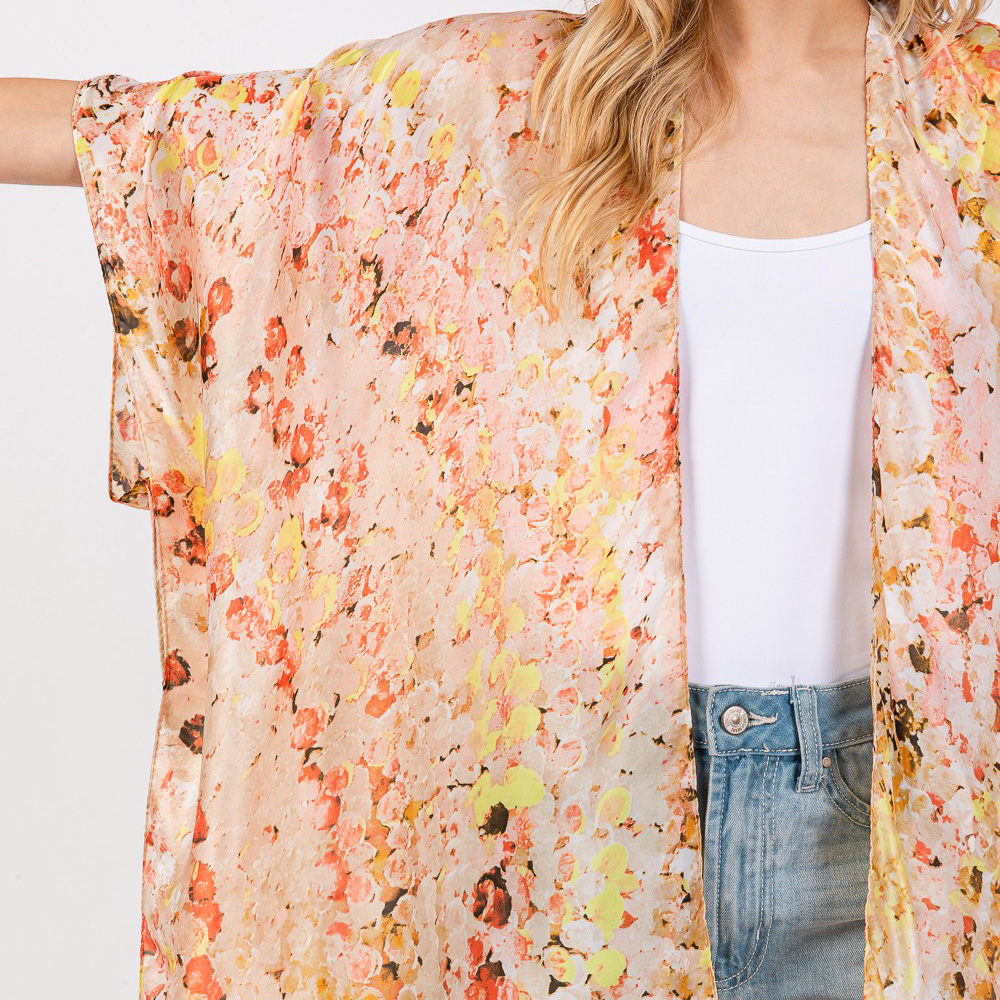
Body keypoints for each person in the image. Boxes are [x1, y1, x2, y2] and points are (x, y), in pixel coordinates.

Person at [2, 1, 998, 999]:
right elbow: (167, 144)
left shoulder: (969, 112)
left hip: (891, 809)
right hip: (567, 813)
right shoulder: (518, 96)